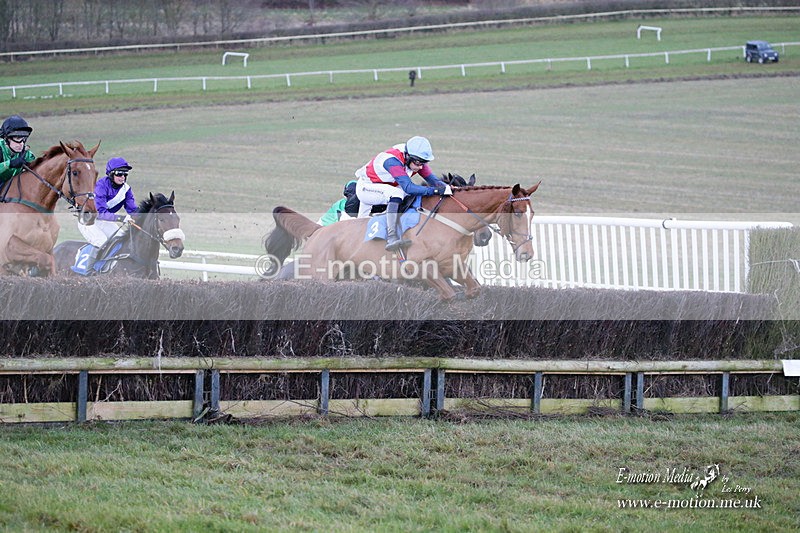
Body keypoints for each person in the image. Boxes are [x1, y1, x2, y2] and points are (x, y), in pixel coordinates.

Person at [355, 136, 452, 251]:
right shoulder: (392, 161)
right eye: (418, 162)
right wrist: (436, 191)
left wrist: (450, 189)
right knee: (397, 193)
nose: (420, 167)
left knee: (359, 227)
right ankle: (392, 237)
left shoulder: (414, 158)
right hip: (366, 188)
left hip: (384, 186)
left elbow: (434, 181)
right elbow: (408, 187)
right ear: (408, 156)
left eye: (424, 163)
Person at [77, 157, 138, 250]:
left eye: (125, 174)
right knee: (102, 242)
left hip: (104, 221)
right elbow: (100, 212)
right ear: (111, 174)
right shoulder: (100, 186)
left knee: (122, 242)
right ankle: (90, 264)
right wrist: (120, 218)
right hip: (87, 220)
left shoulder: (126, 189)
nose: (123, 177)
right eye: (119, 174)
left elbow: (133, 210)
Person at [0, 115, 35, 187]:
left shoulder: (26, 154)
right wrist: (10, 164)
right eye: (18, 138)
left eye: (23, 138)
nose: (21, 143)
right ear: (6, 138)